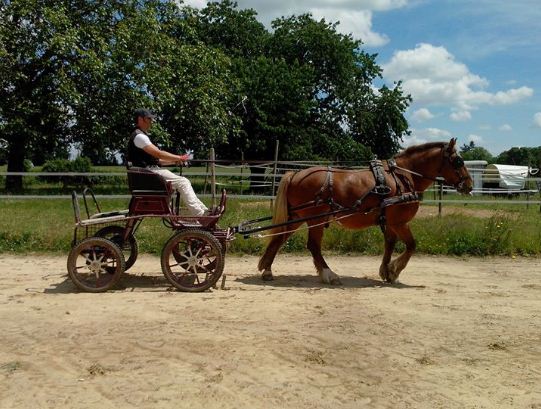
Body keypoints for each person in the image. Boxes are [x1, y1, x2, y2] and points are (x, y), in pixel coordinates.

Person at [126, 108, 208, 216]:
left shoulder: (141, 136)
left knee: (183, 181)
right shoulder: (140, 137)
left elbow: (157, 161)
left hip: (149, 172)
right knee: (183, 182)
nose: (151, 121)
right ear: (140, 119)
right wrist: (179, 157)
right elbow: (159, 154)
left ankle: (204, 211)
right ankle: (200, 214)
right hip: (148, 173)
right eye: (149, 118)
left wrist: (175, 161)